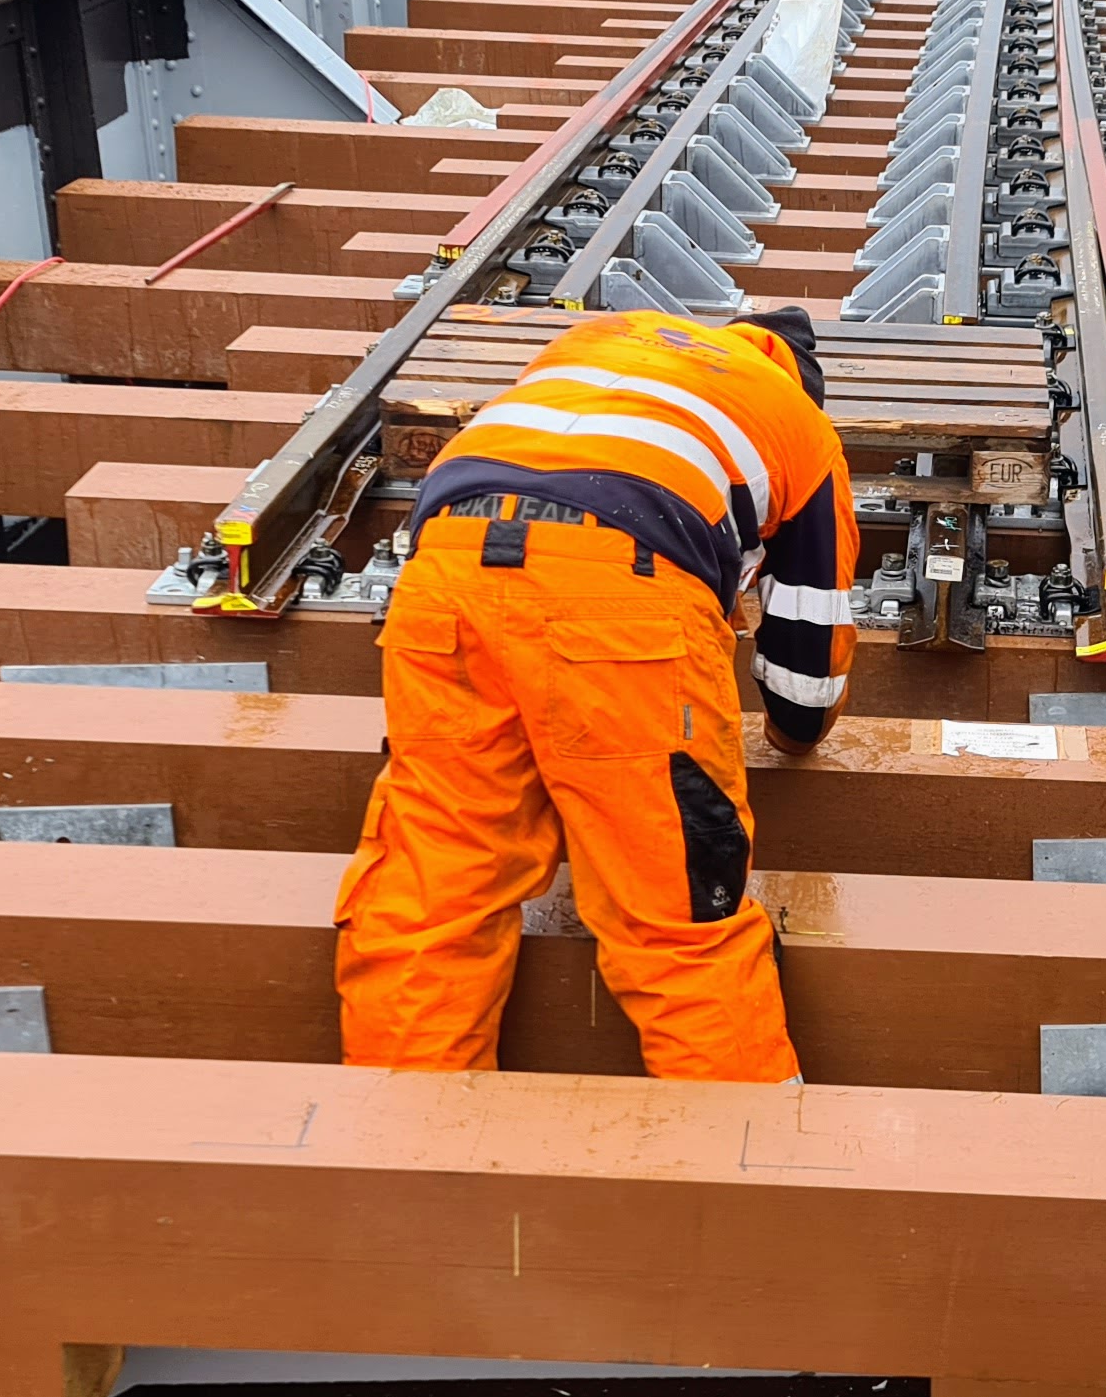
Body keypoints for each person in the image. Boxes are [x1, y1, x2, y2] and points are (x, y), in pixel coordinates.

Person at [334, 304, 854, 1081]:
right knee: (680, 921)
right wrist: (785, 739)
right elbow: (807, 673)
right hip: (622, 607)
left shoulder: (599, 342)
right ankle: (745, 1149)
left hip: (445, 577)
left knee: (433, 888)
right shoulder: (800, 425)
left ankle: (406, 1134)